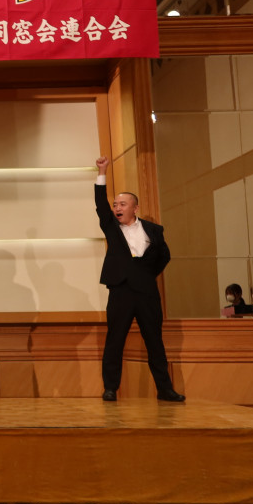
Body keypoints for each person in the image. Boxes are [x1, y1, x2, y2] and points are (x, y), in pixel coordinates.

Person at [94, 156, 184, 402]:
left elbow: (164, 256)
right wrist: (102, 171)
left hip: (146, 292)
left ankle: (165, 389)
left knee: (155, 341)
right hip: (121, 290)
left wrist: (145, 275)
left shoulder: (154, 230)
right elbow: (100, 204)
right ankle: (110, 388)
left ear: (135, 208)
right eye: (115, 204)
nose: (117, 208)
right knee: (115, 340)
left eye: (122, 204)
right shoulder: (111, 227)